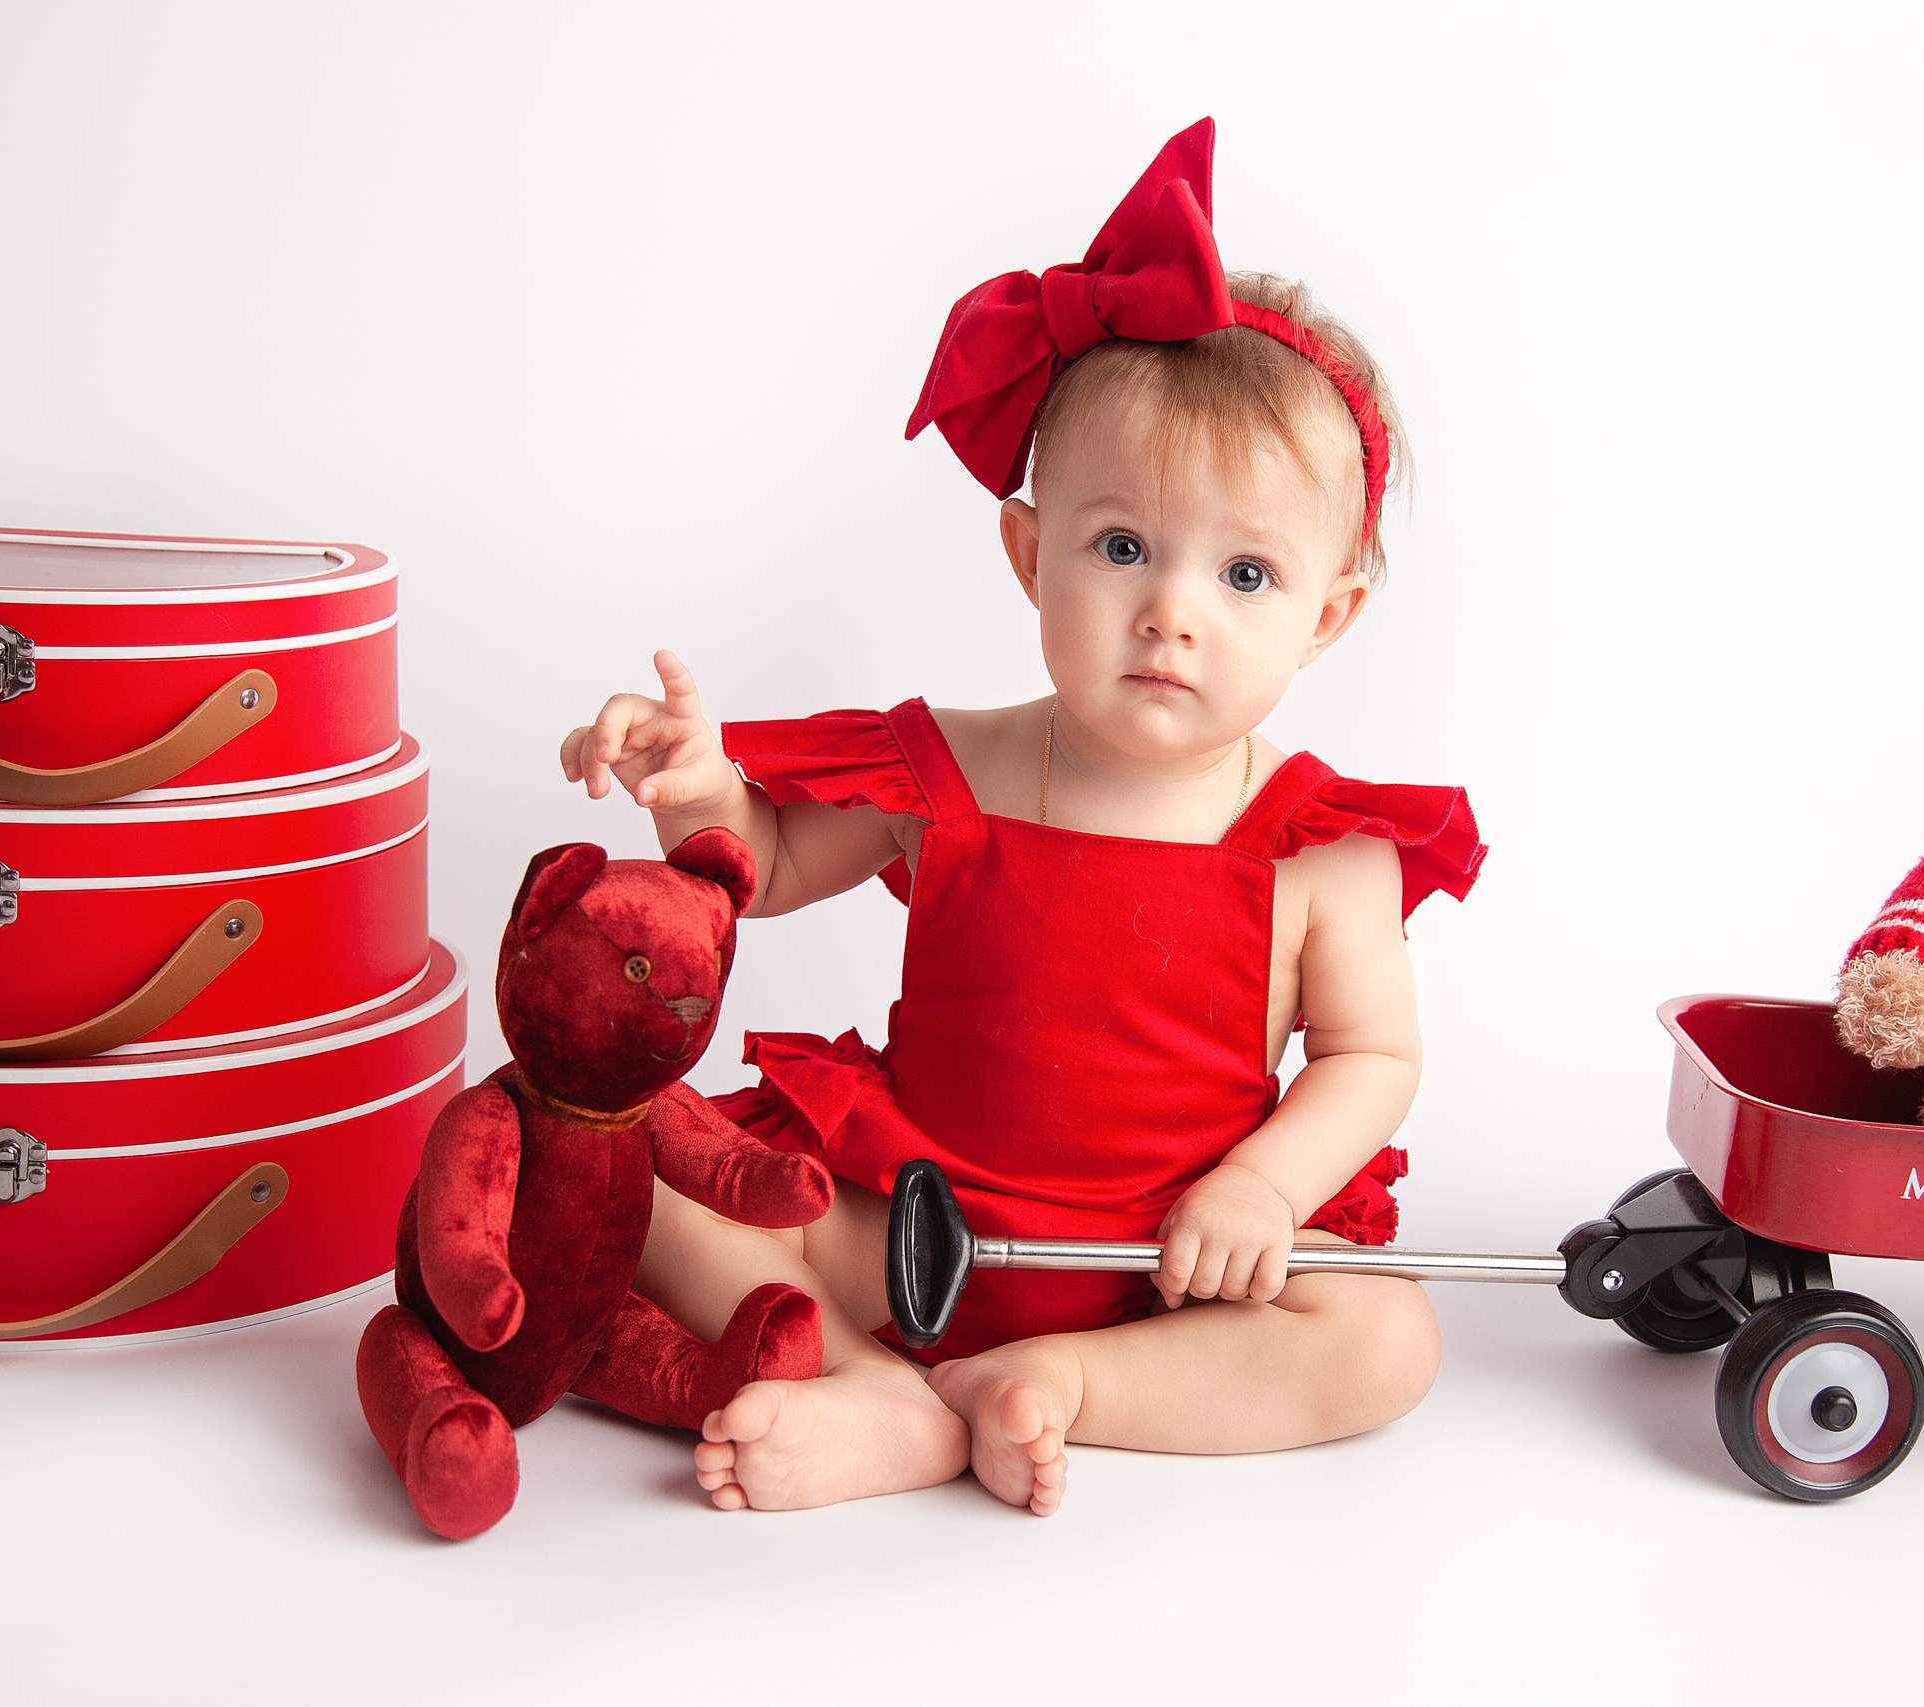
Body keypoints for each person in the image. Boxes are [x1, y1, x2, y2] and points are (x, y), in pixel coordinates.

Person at [558, 120, 1483, 1515]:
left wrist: (1267, 1192)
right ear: (1030, 553)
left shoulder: (1322, 844)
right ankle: (881, 1386)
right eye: (1123, 548)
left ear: (1328, 619)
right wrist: (700, 790)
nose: (1172, 609)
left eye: (1245, 574)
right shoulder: (955, 766)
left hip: (1168, 1273)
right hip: (912, 1229)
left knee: (1388, 1339)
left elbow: (1370, 1056)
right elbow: (775, 860)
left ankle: (1060, 1386)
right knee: (634, 1162)